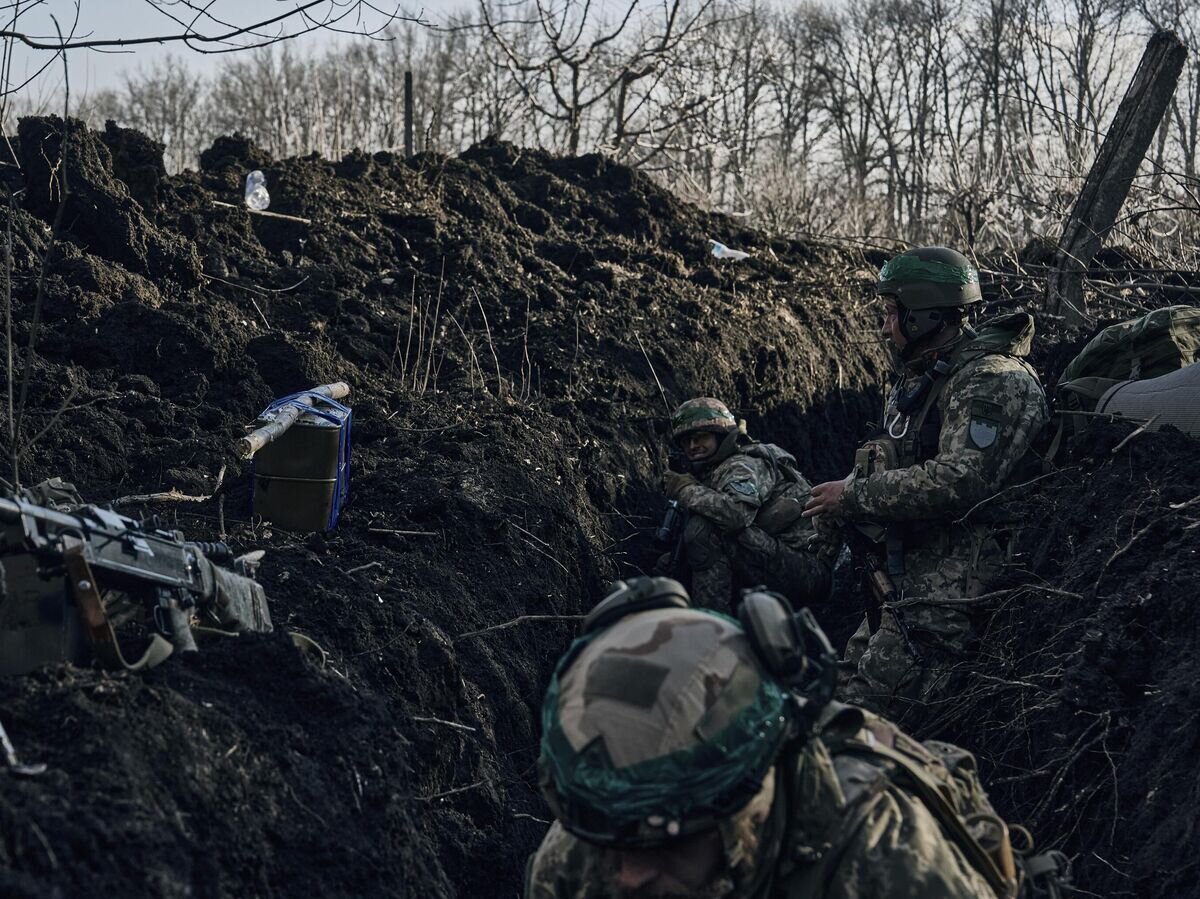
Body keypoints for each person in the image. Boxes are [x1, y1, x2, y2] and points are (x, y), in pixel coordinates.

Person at [525, 577, 1052, 899]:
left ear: (752, 795)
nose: (630, 875)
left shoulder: (891, 867)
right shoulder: (586, 849)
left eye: (672, 838)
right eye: (612, 839)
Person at [802, 246, 1049, 715]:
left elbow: (961, 480)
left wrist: (853, 496)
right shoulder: (926, 378)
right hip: (914, 572)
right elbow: (904, 458)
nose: (885, 326)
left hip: (958, 580)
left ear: (924, 316)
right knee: (836, 699)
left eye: (893, 314)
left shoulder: (991, 380)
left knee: (861, 717)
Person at [658, 397, 832, 610]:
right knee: (671, 564)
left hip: (809, 571)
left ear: (720, 435)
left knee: (704, 531)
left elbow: (736, 515)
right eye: (686, 442)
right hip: (786, 562)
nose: (693, 446)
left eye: (700, 437)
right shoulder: (718, 467)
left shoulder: (742, 464)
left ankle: (713, 626)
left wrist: (686, 491)